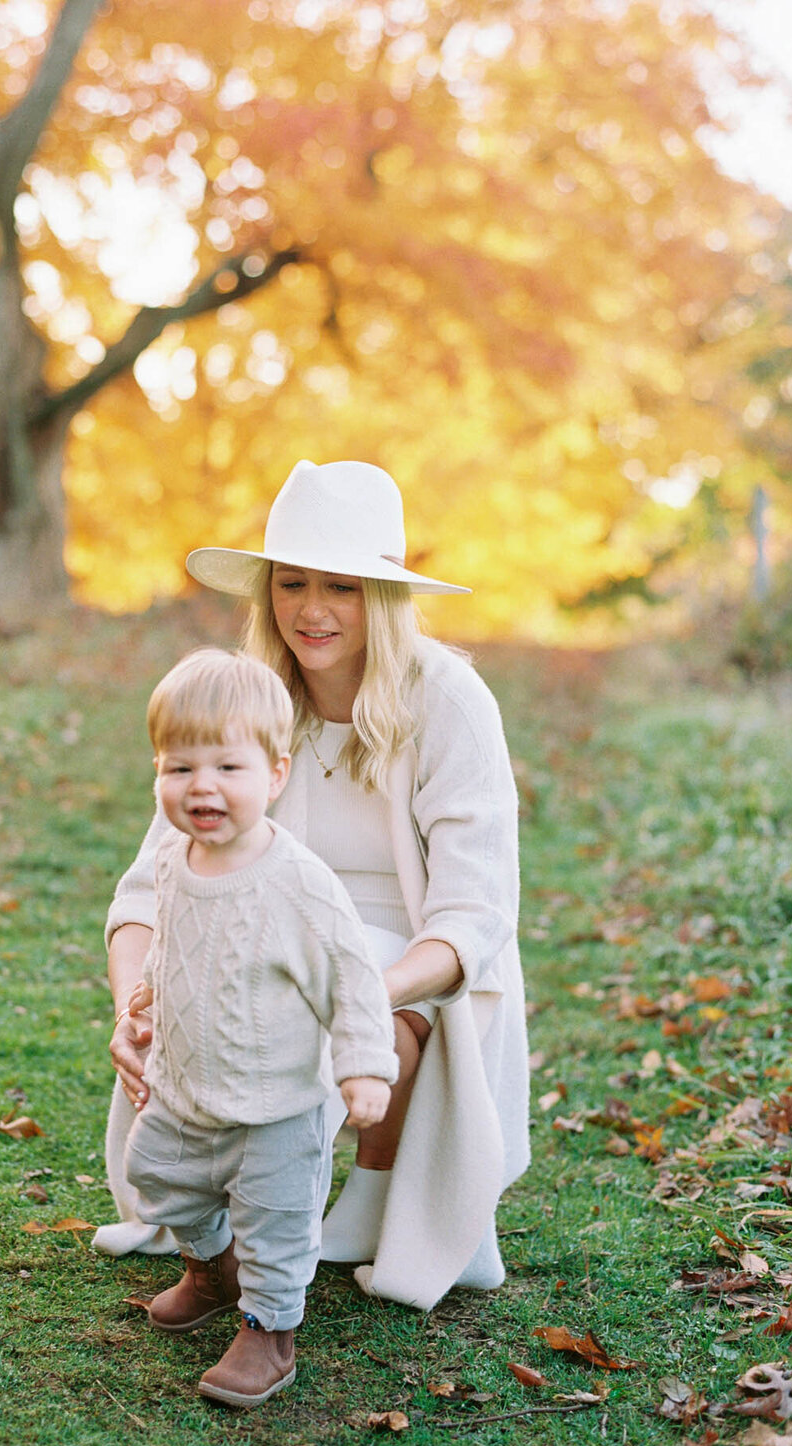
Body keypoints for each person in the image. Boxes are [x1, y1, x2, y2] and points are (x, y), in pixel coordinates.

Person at [101, 459, 530, 1311]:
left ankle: (373, 1193)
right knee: (226, 989)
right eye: (291, 583)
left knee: (337, 995)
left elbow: (474, 914)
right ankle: (218, 1225)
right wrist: (136, 1002)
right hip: (254, 927)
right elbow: (148, 888)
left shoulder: (448, 699)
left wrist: (364, 989)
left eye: (341, 585)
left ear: (384, 597)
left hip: (408, 950)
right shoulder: (246, 697)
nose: (312, 609)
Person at [122, 647, 399, 1406]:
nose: (201, 786)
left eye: (228, 768)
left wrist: (365, 1065)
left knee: (276, 1226)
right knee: (157, 1178)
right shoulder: (178, 860)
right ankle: (211, 1268)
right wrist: (146, 995)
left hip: (278, 1105)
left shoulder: (300, 883)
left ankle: (269, 1331)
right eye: (179, 768)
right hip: (185, 1091)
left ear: (275, 776)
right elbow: (174, 939)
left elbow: (351, 977)